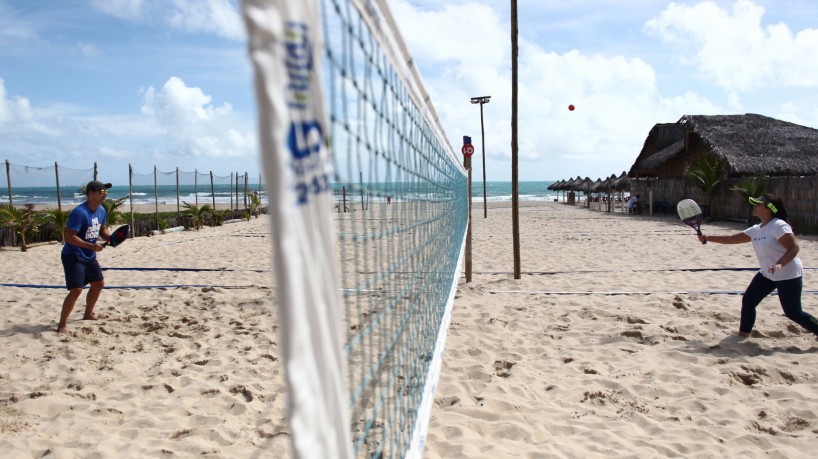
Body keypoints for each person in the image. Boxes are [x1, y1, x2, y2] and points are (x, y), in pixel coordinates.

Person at [697, 194, 818, 339]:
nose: (754, 206)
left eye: (758, 204)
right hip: (768, 274)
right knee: (748, 301)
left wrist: (780, 264)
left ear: (769, 209)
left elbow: (794, 248)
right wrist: (708, 238)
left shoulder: (778, 225)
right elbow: (731, 239)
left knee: (793, 313)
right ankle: (742, 336)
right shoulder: (756, 229)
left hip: (788, 273)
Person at [58, 180, 113, 333]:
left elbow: (102, 230)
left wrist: (111, 238)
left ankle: (88, 314)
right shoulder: (79, 212)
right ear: (90, 193)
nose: (105, 194)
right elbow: (69, 237)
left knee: (98, 283)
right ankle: (62, 324)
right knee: (76, 290)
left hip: (89, 255)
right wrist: (91, 246)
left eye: (105, 192)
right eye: (101, 192)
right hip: (73, 255)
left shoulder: (101, 210)